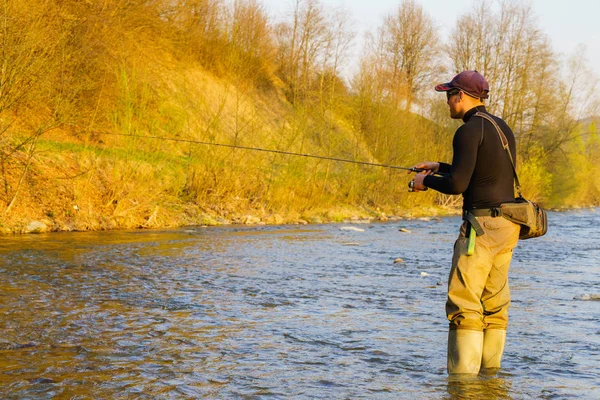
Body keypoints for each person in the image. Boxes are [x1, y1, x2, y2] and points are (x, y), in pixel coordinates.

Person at [410, 70, 520, 375]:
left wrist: (425, 182)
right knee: (494, 306)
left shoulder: (468, 130)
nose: (446, 102)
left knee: (465, 305)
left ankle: (462, 385)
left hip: (480, 229)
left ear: (461, 96)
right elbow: (483, 172)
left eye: (448, 95)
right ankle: (491, 380)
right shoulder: (501, 127)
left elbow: (458, 184)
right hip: (508, 226)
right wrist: (438, 166)